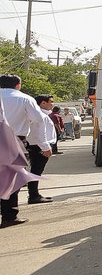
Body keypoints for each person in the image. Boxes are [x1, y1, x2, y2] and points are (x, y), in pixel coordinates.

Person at [0, 75, 55, 225]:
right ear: (18, 85)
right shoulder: (24, 99)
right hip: (14, 140)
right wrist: (44, 145)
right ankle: (9, 216)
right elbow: (38, 121)